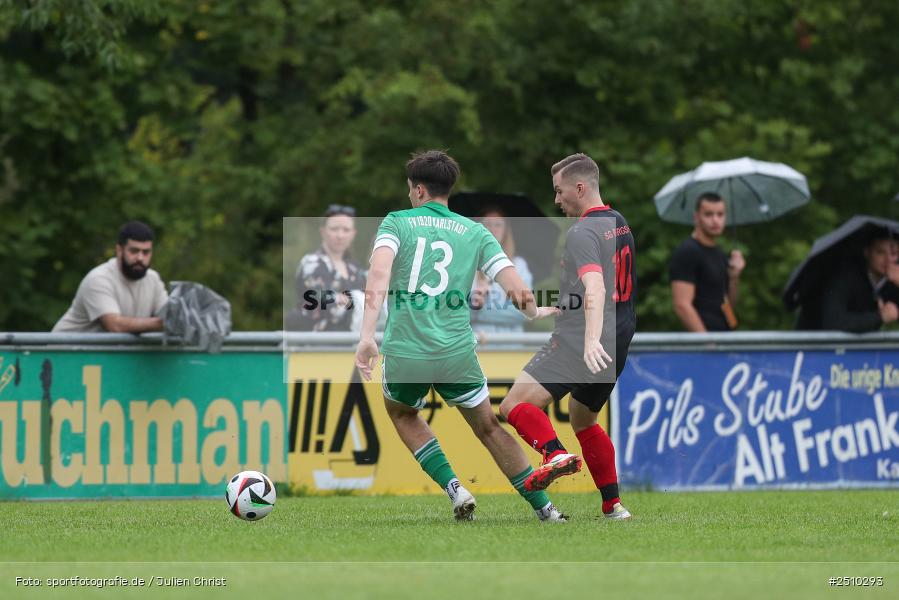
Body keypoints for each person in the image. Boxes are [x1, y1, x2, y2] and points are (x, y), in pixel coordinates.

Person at [354, 150, 565, 522]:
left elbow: (379, 274)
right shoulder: (475, 231)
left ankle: (455, 488)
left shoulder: (396, 222)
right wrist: (534, 312)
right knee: (487, 427)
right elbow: (518, 290)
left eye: (409, 189)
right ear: (447, 189)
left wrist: (367, 336)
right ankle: (546, 509)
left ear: (418, 190)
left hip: (408, 348)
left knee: (403, 414)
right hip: (456, 351)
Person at [497, 153, 636, 520]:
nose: (557, 200)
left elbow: (595, 287)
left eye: (559, 192)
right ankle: (613, 506)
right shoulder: (617, 222)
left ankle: (554, 453)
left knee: (513, 406)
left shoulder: (581, 231)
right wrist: (563, 305)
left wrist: (589, 339)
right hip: (618, 339)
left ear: (579, 187)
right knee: (584, 419)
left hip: (582, 340)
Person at [53, 221, 168, 333]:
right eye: (134, 251)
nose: (140, 258)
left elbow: (169, 314)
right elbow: (115, 325)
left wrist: (176, 320)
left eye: (146, 252)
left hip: (100, 351)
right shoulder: (99, 279)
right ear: (119, 250)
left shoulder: (153, 279)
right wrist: (164, 323)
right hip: (63, 350)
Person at [669, 192, 746, 332]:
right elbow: (682, 304)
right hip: (705, 345)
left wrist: (734, 277)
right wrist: (707, 344)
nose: (716, 220)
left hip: (724, 337)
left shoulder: (720, 253)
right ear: (696, 217)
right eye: (709, 214)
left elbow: (728, 304)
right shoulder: (688, 251)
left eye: (720, 214)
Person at [287, 204, 366, 332]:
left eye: (346, 230)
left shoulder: (354, 268)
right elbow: (328, 305)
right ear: (323, 231)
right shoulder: (312, 263)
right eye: (334, 229)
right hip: (312, 345)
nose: (340, 235)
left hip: (349, 346)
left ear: (353, 234)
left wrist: (349, 300)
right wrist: (359, 301)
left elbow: (374, 303)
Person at [470, 207, 534, 335]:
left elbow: (523, 312)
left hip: (510, 345)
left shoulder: (519, 266)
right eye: (487, 224)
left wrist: (480, 311)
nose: (492, 229)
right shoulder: (469, 265)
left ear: (506, 230)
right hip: (478, 345)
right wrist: (474, 303)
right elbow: (456, 313)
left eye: (498, 225)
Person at [818, 234, 899, 332]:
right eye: (880, 252)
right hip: (814, 342)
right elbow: (832, 322)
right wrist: (879, 317)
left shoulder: (893, 282)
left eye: (894, 253)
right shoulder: (846, 276)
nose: (888, 260)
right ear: (867, 252)